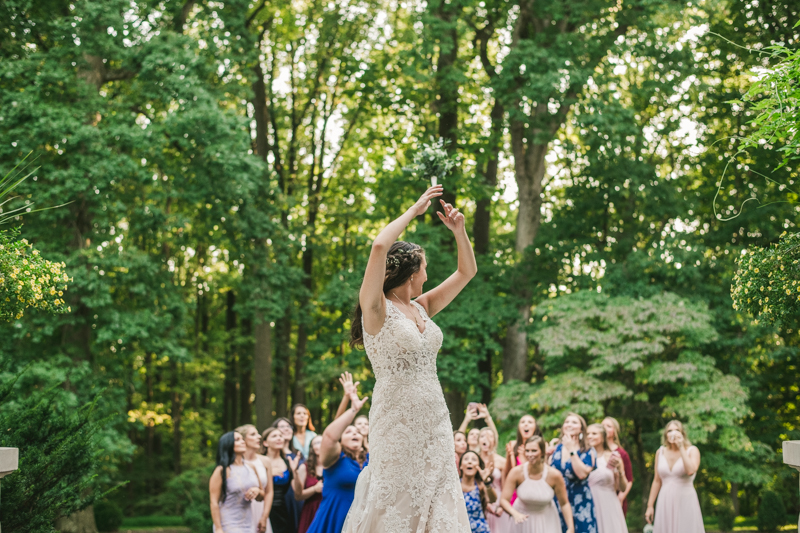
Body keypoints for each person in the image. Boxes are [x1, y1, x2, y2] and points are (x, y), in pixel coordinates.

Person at [344, 184, 477, 532]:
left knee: (440, 504)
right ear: (412, 270)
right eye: (426, 267)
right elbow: (378, 246)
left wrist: (460, 232)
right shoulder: (376, 310)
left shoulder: (422, 306)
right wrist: (414, 210)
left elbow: (466, 273)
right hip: (396, 420)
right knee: (398, 504)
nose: (429, 274)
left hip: (435, 418)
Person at [306, 386, 370, 533]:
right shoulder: (335, 458)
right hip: (333, 521)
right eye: (348, 431)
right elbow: (330, 435)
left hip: (361, 523)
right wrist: (352, 409)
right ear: (341, 439)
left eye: (357, 432)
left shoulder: (370, 458)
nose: (354, 433)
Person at [500, 436, 575, 533]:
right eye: (527, 451)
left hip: (546, 520)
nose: (530, 454)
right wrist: (515, 513)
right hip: (522, 521)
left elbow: (564, 503)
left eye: (534, 451)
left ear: (542, 452)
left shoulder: (554, 475)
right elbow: (503, 500)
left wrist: (571, 527)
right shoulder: (516, 472)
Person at [645, 420, 704, 533]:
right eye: (670, 431)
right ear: (665, 435)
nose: (673, 433)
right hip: (664, 499)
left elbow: (690, 470)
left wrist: (681, 447)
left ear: (683, 434)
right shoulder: (660, 452)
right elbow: (657, 481)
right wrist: (650, 505)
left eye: (677, 430)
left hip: (685, 499)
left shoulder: (692, 450)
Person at [549, 413, 597, 533]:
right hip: (558, 501)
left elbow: (582, 474)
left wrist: (571, 450)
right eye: (567, 422)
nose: (569, 424)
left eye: (574, 422)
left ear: (581, 428)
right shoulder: (556, 449)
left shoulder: (588, 450)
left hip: (580, 501)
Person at [210, 431, 264, 533]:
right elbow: (214, 502)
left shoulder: (251, 467)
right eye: (237, 440)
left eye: (242, 439)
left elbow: (262, 496)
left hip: (249, 523)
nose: (242, 442)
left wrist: (257, 491)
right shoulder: (222, 470)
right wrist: (218, 528)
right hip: (228, 523)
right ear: (228, 444)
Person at [586, 424, 628, 533]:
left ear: (603, 437)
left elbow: (623, 488)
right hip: (588, 503)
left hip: (607, 504)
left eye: (594, 433)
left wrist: (620, 470)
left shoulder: (613, 456)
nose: (590, 436)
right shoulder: (582, 456)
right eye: (588, 434)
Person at [237, 425, 274, 533]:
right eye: (253, 434)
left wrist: (264, 516)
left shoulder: (265, 461)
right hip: (240, 510)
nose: (259, 437)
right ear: (243, 439)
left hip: (260, 509)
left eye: (258, 434)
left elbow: (269, 491)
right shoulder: (234, 463)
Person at [262, 427, 301, 533]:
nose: (279, 438)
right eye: (274, 436)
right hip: (263, 507)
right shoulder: (259, 461)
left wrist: (295, 471)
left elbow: (298, 493)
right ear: (265, 443)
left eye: (280, 436)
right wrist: (268, 474)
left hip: (283, 509)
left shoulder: (288, 462)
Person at [502, 415, 542, 506]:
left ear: (535, 427)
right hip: (515, 493)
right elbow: (508, 472)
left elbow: (539, 474)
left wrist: (526, 458)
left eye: (530, 422)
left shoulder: (543, 445)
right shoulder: (513, 444)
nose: (526, 424)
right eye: (523, 422)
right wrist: (509, 456)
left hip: (533, 492)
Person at [272, 418, 304, 528]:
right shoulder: (273, 457)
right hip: (279, 502)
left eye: (289, 427)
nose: (286, 429)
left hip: (297, 500)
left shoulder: (299, 455)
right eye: (282, 427)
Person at [602, 417, 633, 516]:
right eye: (602, 426)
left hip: (616, 497)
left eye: (608, 426)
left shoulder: (622, 454)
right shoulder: (595, 451)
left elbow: (629, 480)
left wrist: (620, 497)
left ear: (615, 432)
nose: (605, 428)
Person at [478, 428, 507, 531]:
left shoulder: (502, 461)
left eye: (490, 436)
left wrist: (502, 506)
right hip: (479, 502)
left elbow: (505, 487)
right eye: (482, 436)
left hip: (497, 503)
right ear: (478, 441)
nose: (486, 439)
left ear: (494, 441)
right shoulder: (473, 460)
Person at [295, 435, 324, 533]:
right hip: (311, 511)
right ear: (312, 449)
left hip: (329, 509)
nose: (320, 445)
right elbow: (298, 496)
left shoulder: (334, 466)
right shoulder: (305, 467)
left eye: (322, 441)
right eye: (317, 443)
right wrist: (314, 489)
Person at [335, 372, 370, 452]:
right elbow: (337, 423)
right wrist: (346, 396)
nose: (363, 426)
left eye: (366, 424)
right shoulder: (348, 449)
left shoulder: (376, 446)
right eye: (359, 424)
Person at [460, 451, 491, 533]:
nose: (470, 461)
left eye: (474, 459)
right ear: (460, 466)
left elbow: (493, 499)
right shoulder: (454, 487)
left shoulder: (480, 486)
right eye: (466, 459)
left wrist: (487, 482)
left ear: (478, 466)